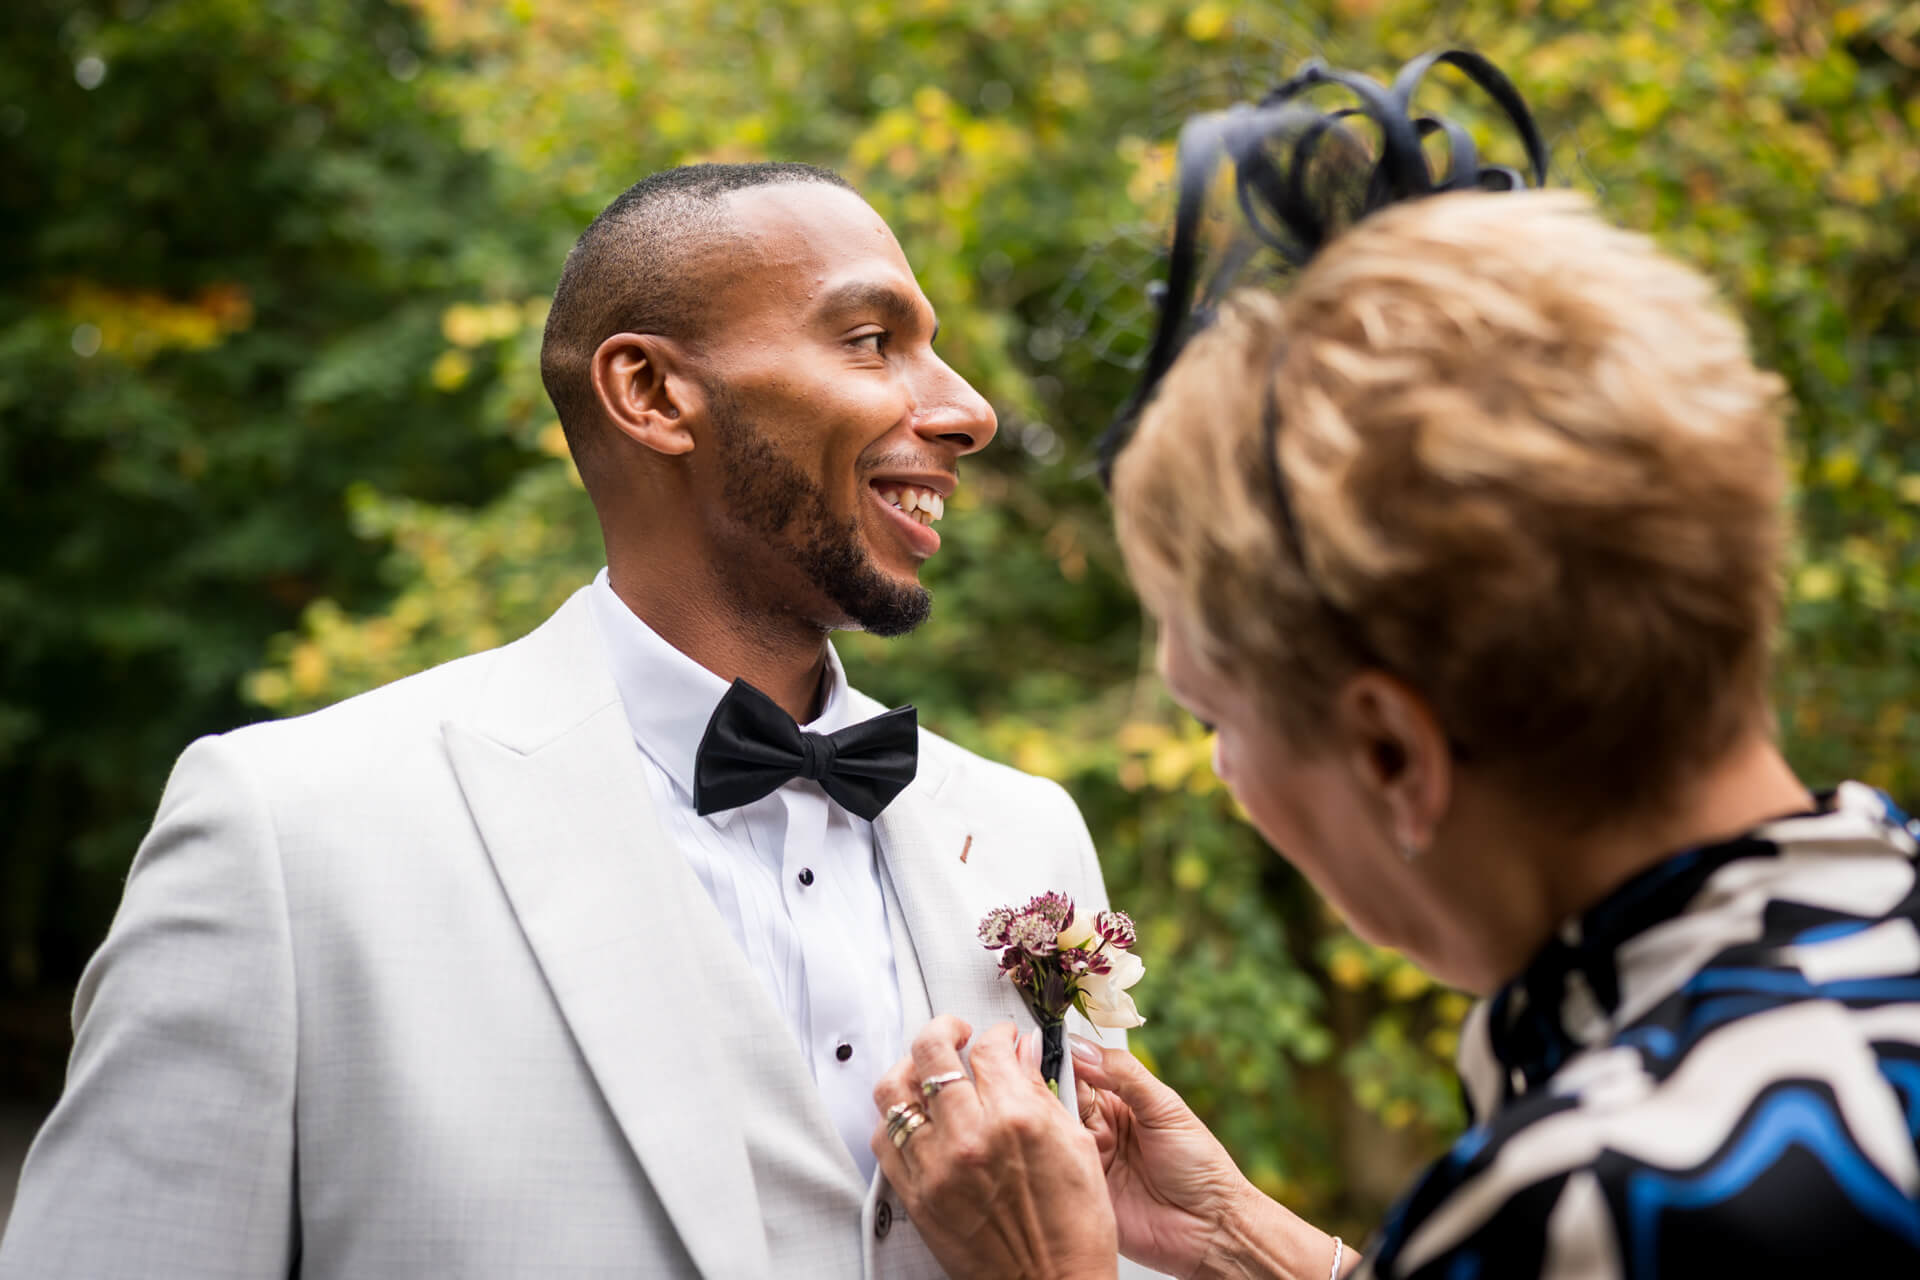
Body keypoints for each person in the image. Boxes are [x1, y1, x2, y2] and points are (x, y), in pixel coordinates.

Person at [0, 162, 1130, 1279]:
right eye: (872, 340)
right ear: (648, 392)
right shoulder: (290, 836)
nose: (969, 411)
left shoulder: (1029, 835)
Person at [866, 84, 1920, 1280]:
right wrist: (1246, 1237)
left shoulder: (1600, 1192)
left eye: (1217, 713)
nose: (1220, 768)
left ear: (1391, 754)